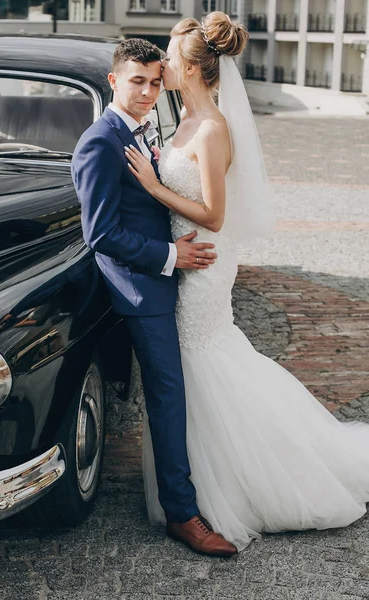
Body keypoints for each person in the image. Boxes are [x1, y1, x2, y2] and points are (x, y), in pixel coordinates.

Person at [125, 11, 369, 552]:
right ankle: (200, 481)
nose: (162, 62)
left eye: (169, 54)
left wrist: (153, 184)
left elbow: (213, 214)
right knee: (197, 369)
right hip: (184, 257)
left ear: (191, 69)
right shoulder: (184, 120)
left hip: (206, 260)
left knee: (205, 361)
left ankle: (239, 484)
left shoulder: (212, 130)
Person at [71, 38, 238, 556]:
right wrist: (170, 255)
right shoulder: (100, 141)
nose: (146, 91)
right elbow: (100, 234)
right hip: (142, 287)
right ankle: (182, 514)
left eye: (152, 80)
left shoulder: (145, 130)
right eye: (135, 81)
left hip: (173, 275)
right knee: (168, 396)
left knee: (178, 391)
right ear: (113, 81)